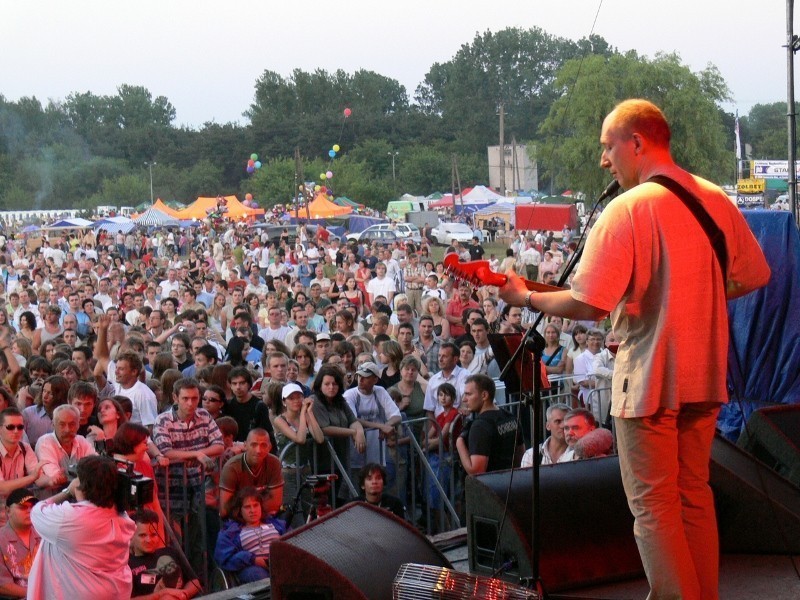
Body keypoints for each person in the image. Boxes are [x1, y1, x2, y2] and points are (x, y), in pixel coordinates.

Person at [498, 99, 771, 599]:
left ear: (637, 143)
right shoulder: (713, 196)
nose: (604, 160)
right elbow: (755, 273)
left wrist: (526, 296)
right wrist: (692, 293)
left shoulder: (628, 207)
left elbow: (589, 304)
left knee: (653, 506)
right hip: (704, 372)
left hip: (648, 377)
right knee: (693, 495)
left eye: (608, 147)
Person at [28, 455, 136, 598]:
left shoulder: (70, 517)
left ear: (85, 486)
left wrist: (67, 491)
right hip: (116, 591)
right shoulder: (123, 517)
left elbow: (37, 511)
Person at [214, 486, 288, 583]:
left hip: (280, 562)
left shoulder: (278, 525)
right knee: (257, 575)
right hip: (253, 567)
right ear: (240, 510)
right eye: (247, 507)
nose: (252, 510)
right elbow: (224, 558)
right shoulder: (231, 532)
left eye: (256, 505)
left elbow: (295, 541)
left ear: (261, 506)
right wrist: (252, 559)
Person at [456, 374, 523, 475]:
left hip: (491, 487)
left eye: (468, 394)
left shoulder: (480, 426)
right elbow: (520, 457)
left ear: (484, 395)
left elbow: (477, 472)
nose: (464, 399)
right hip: (511, 483)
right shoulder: (511, 417)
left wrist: (459, 443)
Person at [129, 508, 200, 599]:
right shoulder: (127, 566)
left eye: (153, 535)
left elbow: (195, 582)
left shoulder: (171, 552)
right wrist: (161, 594)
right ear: (131, 536)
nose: (149, 540)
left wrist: (183, 594)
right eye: (142, 535)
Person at [218, 428, 283, 519]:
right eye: (254, 445)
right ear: (245, 445)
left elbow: (276, 503)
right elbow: (224, 509)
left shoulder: (274, 463)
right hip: (238, 520)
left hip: (266, 517)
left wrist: (253, 512)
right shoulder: (232, 467)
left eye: (263, 445)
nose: (258, 450)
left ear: (270, 447)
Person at [0, 488, 41, 598]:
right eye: (23, 507)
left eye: (32, 507)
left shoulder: (43, 533)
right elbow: (3, 586)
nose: (29, 511)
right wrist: (38, 595)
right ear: (8, 511)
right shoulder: (1, 540)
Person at [520, 403, 571, 467]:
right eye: (558, 421)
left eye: (567, 421)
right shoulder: (531, 455)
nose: (563, 425)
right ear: (548, 426)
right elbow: (526, 477)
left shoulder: (578, 453)